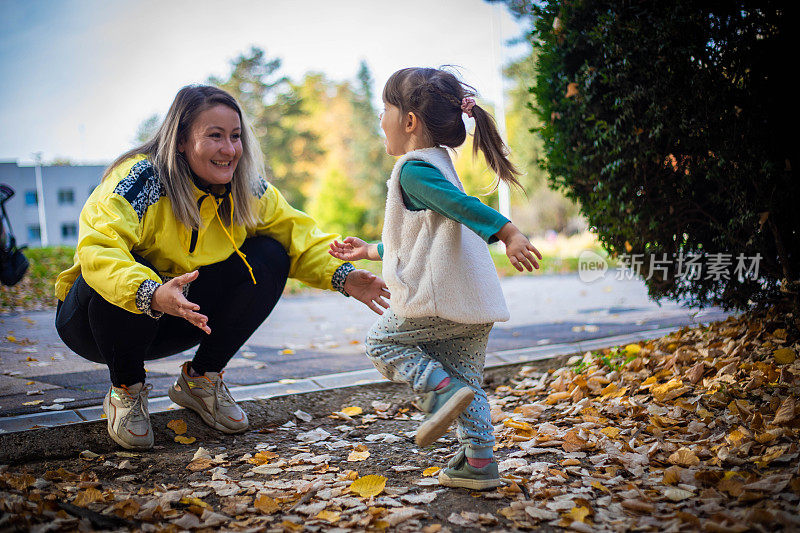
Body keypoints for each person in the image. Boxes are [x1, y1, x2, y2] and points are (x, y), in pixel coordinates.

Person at [54, 85, 390, 450]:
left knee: (271, 253)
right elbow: (99, 249)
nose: (229, 150)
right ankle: (126, 389)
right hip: (95, 325)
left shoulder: (246, 187)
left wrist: (343, 275)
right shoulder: (141, 180)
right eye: (215, 136)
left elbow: (299, 236)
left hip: (181, 316)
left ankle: (201, 381)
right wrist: (151, 292)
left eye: (235, 136)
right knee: (131, 267)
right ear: (181, 140)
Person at [328, 67, 541, 490]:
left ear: (409, 121)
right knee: (467, 381)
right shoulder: (439, 163)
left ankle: (440, 393)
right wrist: (369, 250)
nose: (380, 121)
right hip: (472, 301)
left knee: (382, 343)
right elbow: (420, 240)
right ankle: (478, 463)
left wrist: (507, 231)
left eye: (384, 109)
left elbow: (460, 206)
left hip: (438, 297)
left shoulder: (413, 170)